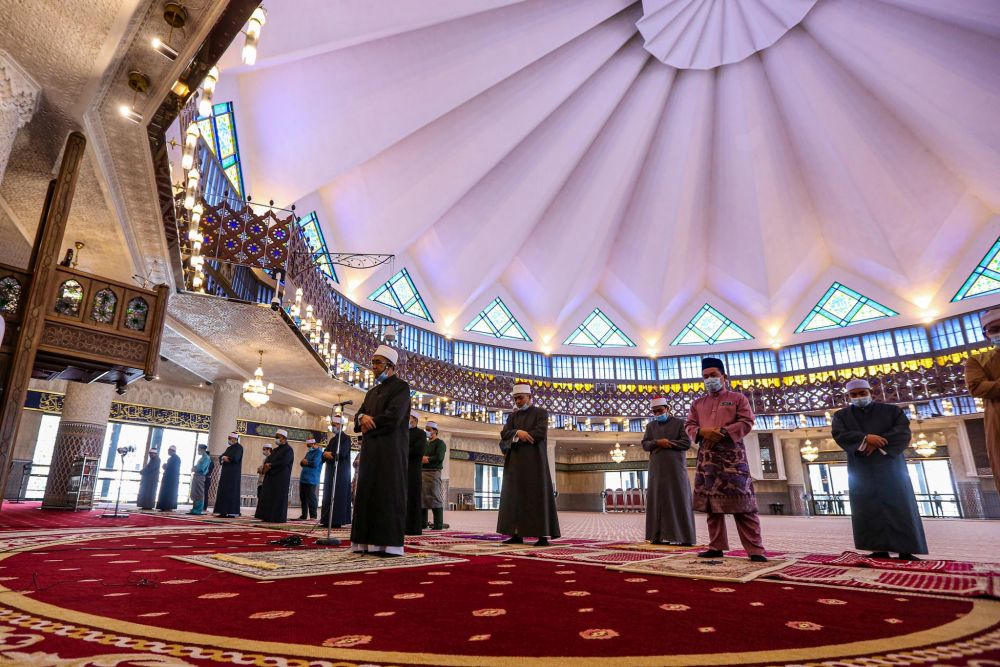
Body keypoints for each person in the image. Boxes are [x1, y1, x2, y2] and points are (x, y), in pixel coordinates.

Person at [831, 378, 928, 560]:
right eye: (854, 394)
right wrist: (865, 439)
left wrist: (877, 443)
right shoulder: (841, 416)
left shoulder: (892, 411)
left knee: (900, 505)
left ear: (871, 393)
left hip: (890, 466)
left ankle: (906, 550)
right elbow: (840, 435)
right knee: (868, 507)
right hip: (862, 467)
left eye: (862, 393)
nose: (858, 397)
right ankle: (878, 549)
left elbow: (902, 432)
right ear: (848, 396)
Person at [684, 357, 767, 562]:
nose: (709, 379)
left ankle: (755, 550)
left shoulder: (738, 398)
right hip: (708, 458)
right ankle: (716, 546)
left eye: (713, 375)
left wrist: (722, 432)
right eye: (705, 376)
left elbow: (747, 421)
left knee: (743, 504)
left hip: (733, 458)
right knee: (712, 505)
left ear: (724, 376)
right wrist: (703, 432)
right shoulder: (698, 403)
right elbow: (689, 426)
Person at [351, 345, 410, 557]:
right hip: (370, 451)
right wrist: (361, 418)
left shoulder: (401, 388)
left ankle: (387, 545)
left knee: (386, 493)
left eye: (378, 363)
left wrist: (369, 422)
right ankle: (364, 542)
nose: (374, 366)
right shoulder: (371, 393)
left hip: (390, 451)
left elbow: (394, 417)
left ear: (391, 366)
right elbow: (358, 416)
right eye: (373, 362)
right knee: (367, 493)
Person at [497, 383, 560, 546]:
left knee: (536, 497)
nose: (518, 401)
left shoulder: (541, 413)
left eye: (520, 398)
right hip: (515, 463)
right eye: (515, 399)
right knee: (515, 498)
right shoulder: (512, 417)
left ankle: (542, 536)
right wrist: (518, 432)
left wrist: (520, 435)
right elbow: (504, 433)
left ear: (529, 397)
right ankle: (516, 534)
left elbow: (540, 433)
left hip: (534, 462)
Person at [641, 396, 695, 546]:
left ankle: (683, 537)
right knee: (657, 500)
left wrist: (668, 443)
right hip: (656, 469)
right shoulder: (650, 426)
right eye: (654, 411)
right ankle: (657, 536)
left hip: (675, 469)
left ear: (667, 408)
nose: (658, 414)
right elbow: (645, 444)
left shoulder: (679, 423)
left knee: (678, 499)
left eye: (660, 410)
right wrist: (658, 442)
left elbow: (686, 443)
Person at [964, 307, 1000, 494]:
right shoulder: (977, 360)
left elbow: (989, 387)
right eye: (995, 329)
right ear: (986, 335)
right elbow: (977, 387)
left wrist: (994, 385)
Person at [320, 416, 352, 528]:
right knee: (328, 495)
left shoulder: (346, 438)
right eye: (332, 425)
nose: (333, 427)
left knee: (338, 496)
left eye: (335, 425)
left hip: (341, 473)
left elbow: (342, 453)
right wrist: (324, 454)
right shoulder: (333, 440)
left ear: (341, 426)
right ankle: (326, 520)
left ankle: (337, 521)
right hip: (330, 472)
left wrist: (330, 454)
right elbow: (324, 452)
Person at [255, 430, 294, 522]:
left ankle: (277, 518)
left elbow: (284, 462)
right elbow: (268, 460)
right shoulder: (275, 450)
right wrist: (266, 466)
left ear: (284, 438)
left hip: (281, 478)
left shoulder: (288, 450)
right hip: (270, 476)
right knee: (268, 496)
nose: (276, 439)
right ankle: (267, 516)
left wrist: (271, 465)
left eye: (278, 437)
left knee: (278, 497)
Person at [422, 420, 449, 530]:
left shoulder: (440, 443)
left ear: (435, 431)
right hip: (422, 472)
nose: (427, 432)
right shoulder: (425, 443)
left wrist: (427, 459)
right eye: (426, 430)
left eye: (429, 430)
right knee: (422, 499)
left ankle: (438, 525)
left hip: (434, 473)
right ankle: (422, 524)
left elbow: (439, 457)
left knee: (435, 498)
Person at [405, 414, 427, 535]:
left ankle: (413, 528)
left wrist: (401, 451)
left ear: (415, 419)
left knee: (412, 497)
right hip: (401, 468)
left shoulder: (421, 434)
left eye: (409, 417)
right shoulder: (402, 432)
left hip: (413, 469)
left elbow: (418, 450)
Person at [213, 432, 243, 517]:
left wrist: (227, 458)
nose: (228, 440)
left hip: (233, 475)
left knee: (231, 492)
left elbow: (236, 458)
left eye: (230, 438)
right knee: (223, 492)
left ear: (235, 439)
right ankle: (223, 511)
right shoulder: (229, 448)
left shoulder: (239, 448)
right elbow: (222, 456)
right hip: (225, 474)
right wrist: (223, 457)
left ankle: (231, 512)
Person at [297, 438, 322, 520]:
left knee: (311, 498)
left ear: (314, 444)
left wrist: (306, 462)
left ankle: (313, 516)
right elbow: (302, 463)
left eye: (309, 445)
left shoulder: (319, 453)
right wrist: (303, 462)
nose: (309, 447)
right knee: (303, 498)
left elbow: (315, 463)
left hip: (312, 479)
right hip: (303, 478)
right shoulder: (308, 453)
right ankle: (304, 515)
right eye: (308, 446)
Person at [155, 445, 181, 511]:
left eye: (169, 451)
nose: (168, 452)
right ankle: (166, 506)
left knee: (168, 493)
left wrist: (165, 466)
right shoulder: (173, 458)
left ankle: (167, 506)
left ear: (172, 451)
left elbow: (172, 468)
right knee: (167, 493)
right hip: (169, 479)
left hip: (171, 480)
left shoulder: (175, 459)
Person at [188, 443, 211, 515]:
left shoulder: (206, 458)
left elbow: (202, 468)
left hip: (200, 477)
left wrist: (194, 468)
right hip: (197, 476)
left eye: (199, 449)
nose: (198, 451)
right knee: (195, 492)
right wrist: (194, 468)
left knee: (199, 492)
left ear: (203, 449)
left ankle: (198, 509)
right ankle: (195, 508)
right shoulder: (202, 458)